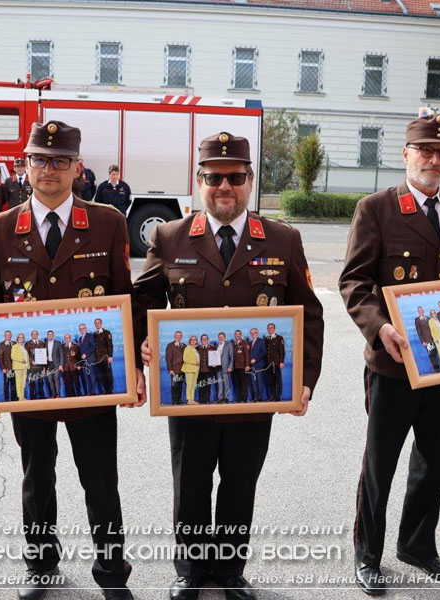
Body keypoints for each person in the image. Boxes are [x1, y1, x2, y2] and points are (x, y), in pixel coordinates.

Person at [134, 131, 323, 600]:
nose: (225, 187)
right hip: (190, 392)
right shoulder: (171, 236)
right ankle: (191, 571)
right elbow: (143, 300)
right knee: (191, 485)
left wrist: (304, 380)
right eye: (214, 177)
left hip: (253, 392)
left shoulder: (282, 238)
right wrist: (142, 343)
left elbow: (310, 314)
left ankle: (231, 569)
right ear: (199, 182)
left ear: (250, 180)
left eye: (235, 177)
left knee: (240, 484)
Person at [0, 119, 144, 600]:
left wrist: (134, 368)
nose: (50, 169)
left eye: (60, 160)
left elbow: (124, 301)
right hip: (30, 383)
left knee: (100, 477)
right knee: (35, 476)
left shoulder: (107, 222)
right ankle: (41, 565)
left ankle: (111, 572)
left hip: (91, 383)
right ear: (25, 166)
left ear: (77, 167)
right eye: (40, 160)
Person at [339, 113, 440, 595]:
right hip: (393, 362)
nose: (434, 159)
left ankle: (418, 546)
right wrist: (379, 326)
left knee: (435, 459)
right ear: (405, 154)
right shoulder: (377, 208)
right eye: (425, 150)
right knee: (380, 462)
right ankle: (368, 555)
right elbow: (355, 281)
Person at [414, 306, 440, 373]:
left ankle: (439, 368)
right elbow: (419, 331)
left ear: (423, 310)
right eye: (419, 310)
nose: (421, 311)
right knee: (431, 355)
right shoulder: (417, 320)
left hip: (433, 339)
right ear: (418, 312)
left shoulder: (428, 318)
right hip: (427, 341)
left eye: (422, 310)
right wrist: (422, 341)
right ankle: (436, 369)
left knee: (436, 354)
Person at [264, 323, 285, 401]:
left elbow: (282, 351)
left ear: (274, 329)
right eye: (268, 328)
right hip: (269, 364)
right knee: (271, 381)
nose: (270, 329)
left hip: (276, 363)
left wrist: (281, 361)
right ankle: (272, 396)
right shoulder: (266, 339)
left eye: (271, 328)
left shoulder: (279, 338)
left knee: (278, 380)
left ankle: (278, 396)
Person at [165, 331, 186, 405]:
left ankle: (179, 401)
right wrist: (170, 369)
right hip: (174, 370)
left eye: (180, 336)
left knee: (180, 386)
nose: (178, 337)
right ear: (174, 336)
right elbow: (168, 358)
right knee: (174, 386)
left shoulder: (184, 345)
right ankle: (174, 402)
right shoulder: (170, 345)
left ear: (181, 337)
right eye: (177, 335)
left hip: (182, 370)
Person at [25, 330, 47, 400]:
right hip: (32, 367)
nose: (34, 335)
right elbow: (26, 355)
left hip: (40, 367)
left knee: (41, 382)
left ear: (37, 335)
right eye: (33, 334)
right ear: (31, 335)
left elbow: (44, 355)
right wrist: (31, 361)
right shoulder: (28, 344)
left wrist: (44, 367)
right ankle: (32, 397)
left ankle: (42, 396)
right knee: (32, 383)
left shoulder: (42, 343)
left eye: (36, 334)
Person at [94, 318, 114, 394]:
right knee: (102, 375)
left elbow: (110, 345)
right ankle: (105, 390)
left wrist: (110, 356)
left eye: (98, 323)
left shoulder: (106, 333)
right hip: (98, 359)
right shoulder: (94, 334)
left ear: (101, 323)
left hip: (105, 357)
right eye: (95, 323)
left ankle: (110, 390)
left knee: (108, 374)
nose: (97, 324)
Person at [0, 330, 18, 402]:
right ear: (4, 336)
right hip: (7, 368)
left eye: (9, 335)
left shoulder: (15, 343)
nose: (8, 336)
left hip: (14, 367)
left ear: (11, 336)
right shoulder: (1, 345)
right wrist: (3, 368)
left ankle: (14, 398)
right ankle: (6, 399)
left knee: (14, 384)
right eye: (7, 335)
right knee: (6, 384)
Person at [77, 322, 97, 396]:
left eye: (83, 328)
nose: (81, 330)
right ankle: (89, 392)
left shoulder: (90, 336)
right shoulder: (80, 338)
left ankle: (93, 391)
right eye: (80, 329)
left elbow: (93, 346)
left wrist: (86, 354)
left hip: (90, 360)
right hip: (84, 362)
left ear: (86, 328)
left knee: (92, 376)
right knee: (86, 377)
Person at [248, 327, 266, 402]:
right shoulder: (250, 343)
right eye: (251, 333)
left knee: (260, 382)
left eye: (254, 333)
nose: (253, 334)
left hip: (259, 365)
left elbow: (264, 352)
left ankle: (260, 397)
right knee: (253, 383)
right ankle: (256, 397)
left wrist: (256, 359)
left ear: (257, 333)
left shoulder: (261, 341)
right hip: (252, 367)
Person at [231, 329, 250, 403]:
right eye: (236, 334)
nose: (237, 335)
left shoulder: (244, 343)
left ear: (240, 335)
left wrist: (247, 365)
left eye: (238, 334)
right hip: (235, 367)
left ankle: (244, 398)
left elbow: (247, 355)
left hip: (242, 366)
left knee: (243, 383)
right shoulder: (233, 344)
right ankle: (239, 398)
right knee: (237, 384)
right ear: (234, 335)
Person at [215, 332, 234, 404]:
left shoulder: (229, 344)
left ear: (224, 337)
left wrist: (230, 366)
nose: (220, 338)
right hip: (218, 367)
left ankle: (226, 397)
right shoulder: (217, 345)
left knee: (226, 383)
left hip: (226, 367)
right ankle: (220, 398)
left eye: (222, 337)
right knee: (220, 383)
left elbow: (232, 356)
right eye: (219, 337)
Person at [44, 330, 64, 398]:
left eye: (51, 334)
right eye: (49, 334)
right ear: (47, 336)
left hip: (56, 364)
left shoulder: (58, 343)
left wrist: (61, 364)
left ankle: (58, 394)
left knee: (56, 379)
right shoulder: (45, 344)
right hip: (48, 364)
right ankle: (53, 394)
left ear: (53, 335)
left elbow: (61, 354)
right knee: (50, 380)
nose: (50, 336)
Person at [181, 335, 200, 405]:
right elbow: (185, 359)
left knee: (193, 385)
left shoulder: (195, 349)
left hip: (196, 370)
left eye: (195, 339)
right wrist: (195, 363)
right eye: (192, 339)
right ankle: (189, 400)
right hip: (189, 369)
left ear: (196, 341)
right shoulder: (187, 348)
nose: (193, 341)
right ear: (190, 341)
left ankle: (192, 399)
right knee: (189, 385)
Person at [11, 333, 30, 400]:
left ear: (24, 339)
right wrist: (21, 360)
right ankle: (19, 397)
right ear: (17, 339)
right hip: (18, 367)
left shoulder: (23, 347)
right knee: (18, 382)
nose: (21, 338)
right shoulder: (14, 346)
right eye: (19, 337)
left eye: (22, 337)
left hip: (25, 367)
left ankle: (22, 397)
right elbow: (13, 356)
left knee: (23, 383)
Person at [196, 334, 214, 404]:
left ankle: (207, 400)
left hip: (208, 370)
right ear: (201, 340)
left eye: (205, 339)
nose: (204, 340)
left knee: (207, 386)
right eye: (203, 339)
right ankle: (201, 399)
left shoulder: (212, 348)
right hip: (199, 371)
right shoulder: (197, 348)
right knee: (200, 386)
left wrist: (215, 364)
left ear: (208, 340)